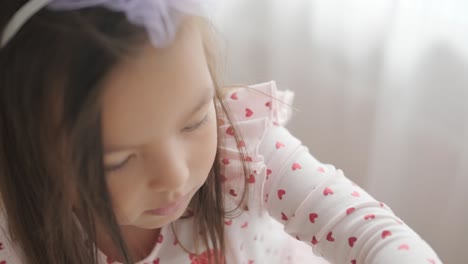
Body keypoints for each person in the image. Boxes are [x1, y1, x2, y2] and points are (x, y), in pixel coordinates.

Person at [0, 1, 442, 264]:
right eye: (119, 160)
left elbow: (368, 231)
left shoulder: (243, 148)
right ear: (29, 150)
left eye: (194, 121)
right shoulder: (15, 231)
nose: (174, 176)